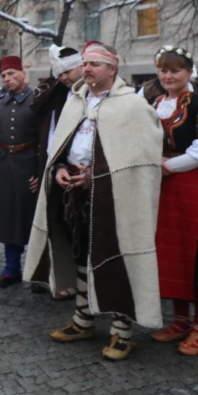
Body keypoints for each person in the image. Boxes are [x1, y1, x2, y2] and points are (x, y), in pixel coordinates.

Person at [25, 42, 163, 361]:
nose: (87, 69)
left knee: (115, 257)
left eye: (95, 65)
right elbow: (61, 145)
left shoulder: (132, 107)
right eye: (85, 64)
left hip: (115, 198)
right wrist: (59, 168)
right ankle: (83, 319)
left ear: (112, 70)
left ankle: (121, 331)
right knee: (79, 255)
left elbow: (143, 158)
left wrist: (96, 175)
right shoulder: (76, 101)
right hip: (74, 193)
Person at [145, 45, 198, 356]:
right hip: (163, 185)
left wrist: (169, 166)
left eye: (175, 70)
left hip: (192, 183)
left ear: (188, 72)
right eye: (163, 70)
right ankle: (180, 319)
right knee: (172, 251)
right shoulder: (156, 101)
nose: (168, 75)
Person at [30, 45, 83, 299]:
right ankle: (61, 279)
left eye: (68, 71)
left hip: (80, 169)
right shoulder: (55, 93)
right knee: (56, 222)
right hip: (52, 164)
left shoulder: (88, 94)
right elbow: (37, 109)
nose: (64, 77)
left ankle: (85, 282)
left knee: (80, 228)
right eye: (58, 73)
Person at [0, 55, 41, 288]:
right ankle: (11, 268)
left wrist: (40, 173)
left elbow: (45, 140)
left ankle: (38, 271)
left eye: (11, 74)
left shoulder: (37, 101)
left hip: (30, 166)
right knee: (8, 218)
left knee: (33, 219)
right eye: (4, 76)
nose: (7, 79)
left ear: (22, 74)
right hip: (5, 166)